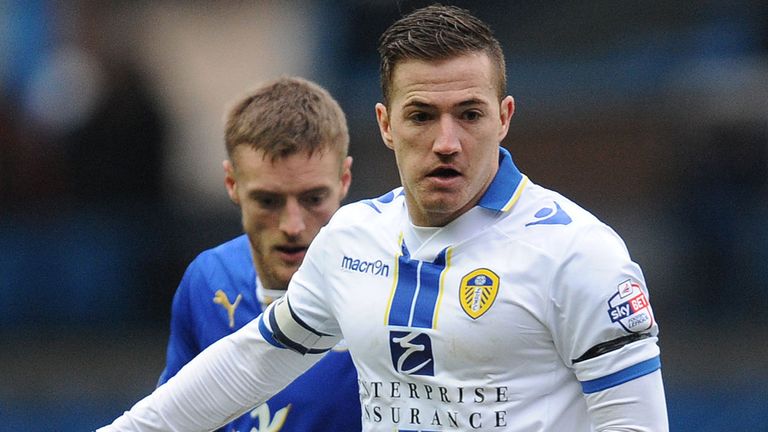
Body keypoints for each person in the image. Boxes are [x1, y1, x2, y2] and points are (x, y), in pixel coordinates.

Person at [99, 5, 668, 431]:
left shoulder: (580, 254)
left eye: (469, 114)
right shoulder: (352, 238)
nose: (446, 141)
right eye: (421, 115)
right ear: (385, 124)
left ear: (504, 118)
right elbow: (253, 361)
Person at [153, 77, 361, 431]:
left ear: (344, 179)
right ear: (232, 183)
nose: (292, 225)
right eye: (268, 201)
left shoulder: (386, 287)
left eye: (313, 199)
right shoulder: (208, 280)